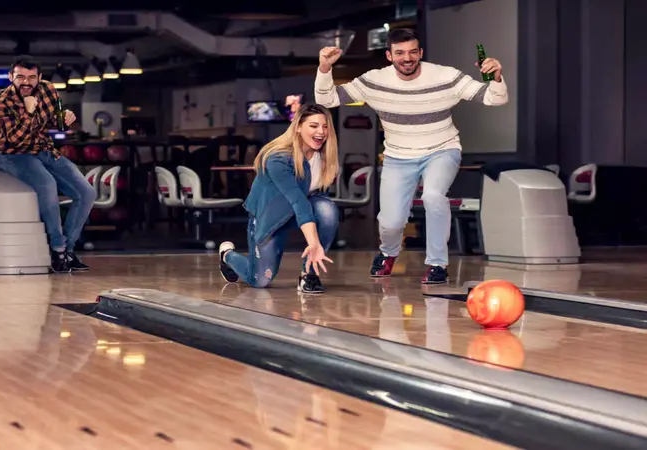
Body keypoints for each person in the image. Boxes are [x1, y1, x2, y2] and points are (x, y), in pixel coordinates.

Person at [314, 28, 509, 284]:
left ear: (420, 53)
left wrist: (496, 77)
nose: (407, 58)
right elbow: (327, 99)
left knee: (433, 196)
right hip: (398, 156)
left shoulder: (445, 76)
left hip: (442, 148)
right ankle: (388, 253)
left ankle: (437, 264)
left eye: (412, 52)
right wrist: (325, 69)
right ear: (389, 55)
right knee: (391, 222)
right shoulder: (374, 80)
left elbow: (496, 99)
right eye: (400, 53)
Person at [218, 104, 340, 294]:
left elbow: (316, 200)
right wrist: (314, 243)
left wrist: (315, 244)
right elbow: (298, 201)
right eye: (314, 126)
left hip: (298, 214)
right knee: (260, 280)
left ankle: (309, 274)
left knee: (327, 209)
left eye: (325, 127)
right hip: (270, 217)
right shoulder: (278, 158)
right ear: (298, 126)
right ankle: (227, 256)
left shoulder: (323, 157)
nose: (321, 132)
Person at [0, 55, 95, 274]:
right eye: (20, 77)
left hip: (45, 150)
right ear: (11, 77)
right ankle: (57, 249)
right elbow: (14, 139)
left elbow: (54, 123)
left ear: (39, 78)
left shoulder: (48, 90)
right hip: (13, 154)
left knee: (86, 193)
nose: (26, 82)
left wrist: (64, 117)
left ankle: (68, 249)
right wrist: (28, 111)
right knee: (47, 184)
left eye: (31, 77)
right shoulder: (2, 100)